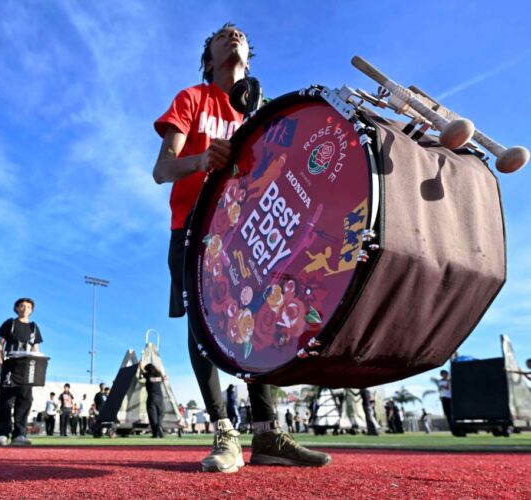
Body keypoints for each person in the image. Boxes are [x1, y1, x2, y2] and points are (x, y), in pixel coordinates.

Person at [152, 23, 330, 472]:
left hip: (248, 232)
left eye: (240, 34)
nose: (232, 34)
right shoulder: (192, 99)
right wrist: (201, 159)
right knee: (203, 326)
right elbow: (162, 170)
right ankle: (223, 431)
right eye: (220, 34)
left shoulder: (262, 109)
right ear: (208, 57)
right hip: (194, 230)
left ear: (250, 57)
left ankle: (268, 435)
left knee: (261, 320)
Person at [0, 298, 43, 446]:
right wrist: (0, 365)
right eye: (22, 306)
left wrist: (36, 368)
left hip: (27, 368)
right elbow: (0, 346)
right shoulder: (10, 323)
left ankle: (20, 434)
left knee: (25, 401)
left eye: (28, 307)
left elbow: (35, 350)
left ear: (31, 310)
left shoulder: (34, 327)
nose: (25, 308)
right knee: (6, 401)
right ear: (16, 308)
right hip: (10, 365)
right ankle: (3, 434)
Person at [140, 363, 166, 438]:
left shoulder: (148, 376)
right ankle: (159, 427)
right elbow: (164, 376)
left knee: (153, 417)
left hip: (151, 398)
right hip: (160, 398)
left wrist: (140, 364)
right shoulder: (159, 376)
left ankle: (156, 433)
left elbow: (142, 370)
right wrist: (158, 368)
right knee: (161, 414)